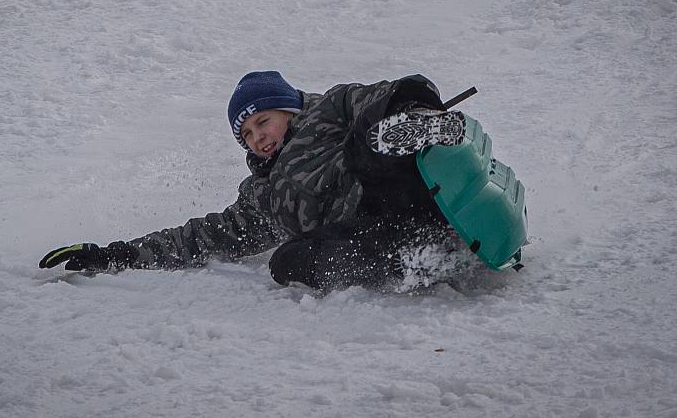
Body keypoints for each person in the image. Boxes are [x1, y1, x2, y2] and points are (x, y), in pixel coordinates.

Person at [39, 71, 466, 290]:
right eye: (246, 134)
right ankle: (416, 262)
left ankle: (421, 124)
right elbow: (201, 237)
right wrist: (115, 255)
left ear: (289, 110)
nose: (257, 137)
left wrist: (407, 104)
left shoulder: (328, 110)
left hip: (400, 185)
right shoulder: (263, 197)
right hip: (372, 232)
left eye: (263, 121)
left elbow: (374, 94)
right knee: (287, 261)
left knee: (369, 135)